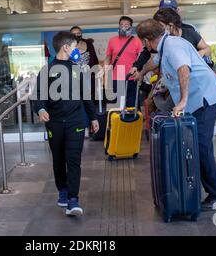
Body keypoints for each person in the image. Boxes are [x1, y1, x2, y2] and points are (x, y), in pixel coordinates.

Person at [136, 19, 216, 210]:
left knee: (201, 148)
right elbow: (153, 62)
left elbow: (183, 69)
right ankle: (214, 192)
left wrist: (183, 101)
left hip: (203, 99)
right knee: (197, 147)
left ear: (146, 41)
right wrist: (140, 72)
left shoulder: (172, 46)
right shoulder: (166, 45)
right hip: (198, 100)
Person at [33, 31, 99, 217]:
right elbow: (38, 96)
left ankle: (73, 199)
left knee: (73, 160)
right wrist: (41, 109)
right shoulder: (47, 70)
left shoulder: (78, 69)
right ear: (66, 47)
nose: (77, 50)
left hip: (75, 121)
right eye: (75, 47)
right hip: (54, 123)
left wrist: (93, 117)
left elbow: (86, 96)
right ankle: (62, 189)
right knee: (58, 159)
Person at [103, 16, 143, 107]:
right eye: (121, 25)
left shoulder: (137, 41)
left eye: (126, 25)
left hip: (132, 77)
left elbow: (141, 59)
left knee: (132, 105)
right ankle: (118, 121)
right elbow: (108, 58)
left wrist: (140, 73)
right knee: (117, 105)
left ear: (131, 27)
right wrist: (105, 73)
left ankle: (131, 120)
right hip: (116, 78)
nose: (123, 27)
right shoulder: (112, 40)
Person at [70, 25, 99, 137]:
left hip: (88, 78)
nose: (77, 35)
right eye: (74, 33)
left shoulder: (88, 44)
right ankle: (79, 127)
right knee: (78, 103)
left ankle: (89, 127)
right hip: (74, 79)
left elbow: (95, 60)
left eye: (79, 32)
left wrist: (96, 72)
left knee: (89, 103)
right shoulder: (69, 47)